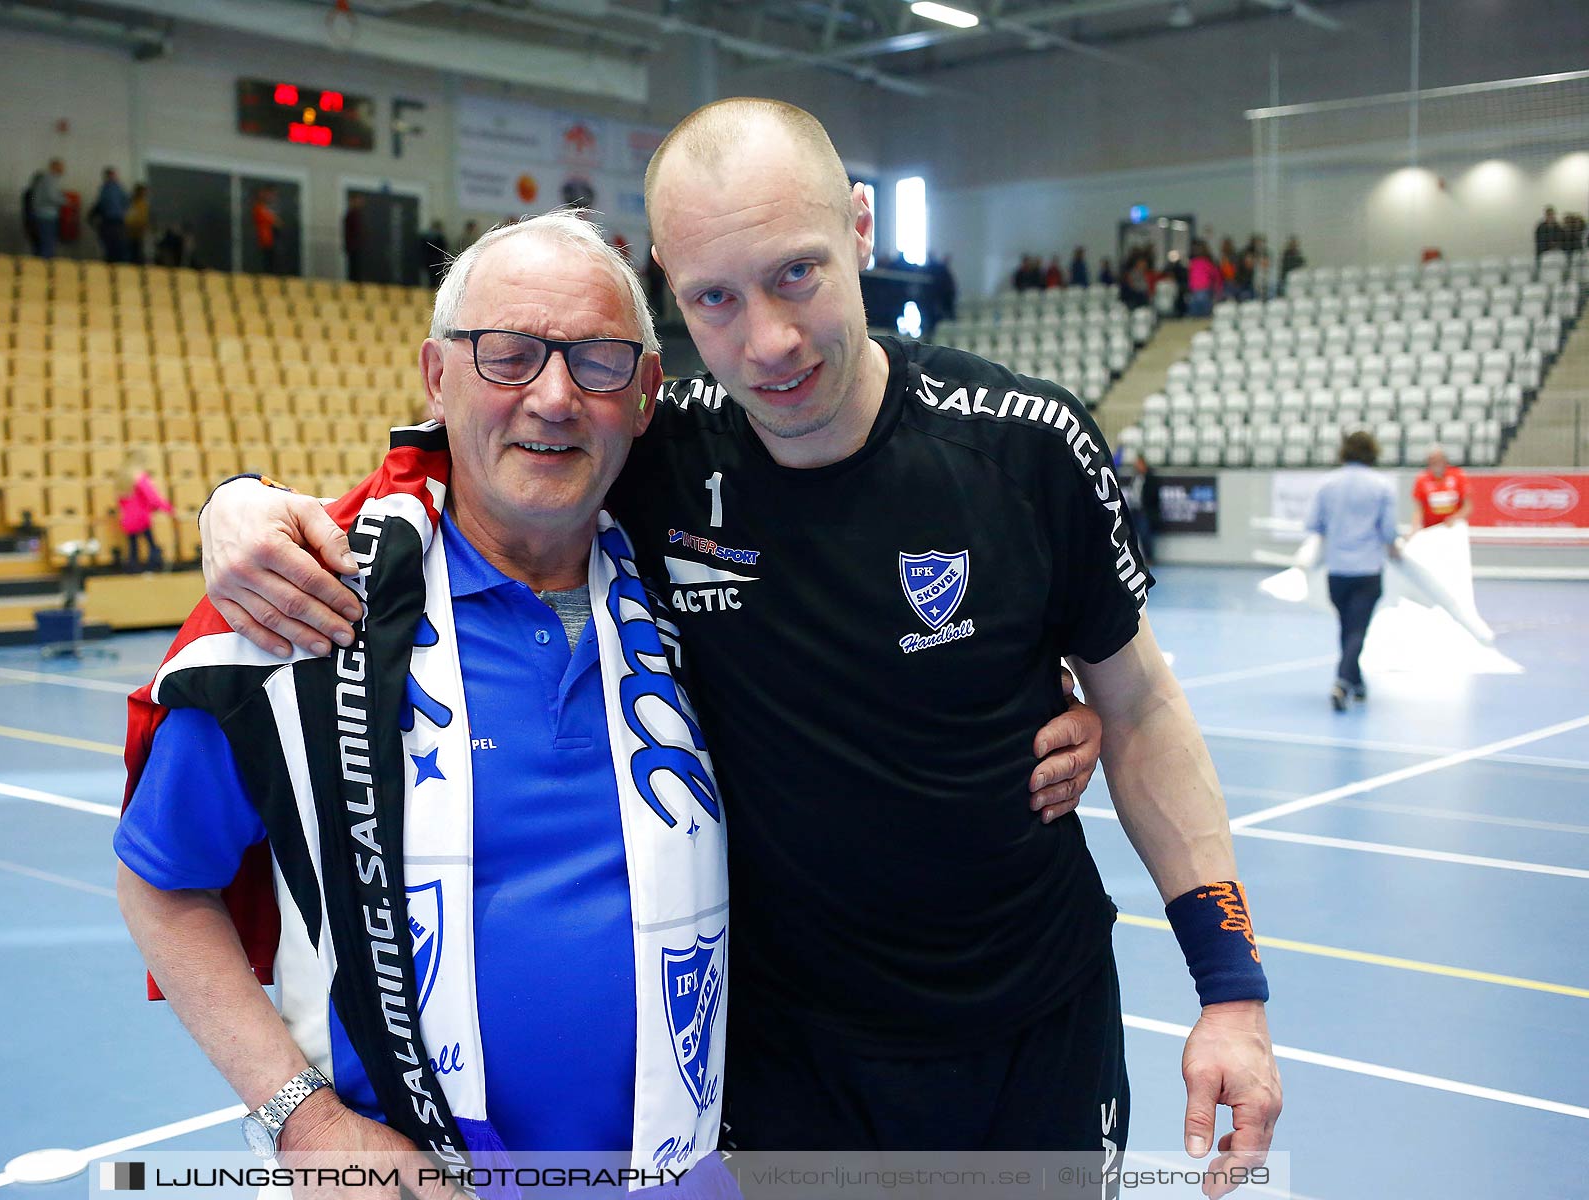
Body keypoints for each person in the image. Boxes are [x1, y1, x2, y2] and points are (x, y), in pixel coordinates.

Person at [201, 99, 1281, 1184]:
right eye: (715, 297)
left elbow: (1140, 707)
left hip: (1031, 1040)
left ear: (862, 229)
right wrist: (236, 507)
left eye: (797, 274)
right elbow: (464, 466)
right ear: (671, 285)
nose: (767, 340)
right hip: (781, 1068)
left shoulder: (1027, 449)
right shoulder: (654, 455)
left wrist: (1229, 992)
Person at [118, 212, 1097, 1181]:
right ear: (436, 376)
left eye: (596, 362)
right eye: (507, 355)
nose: (552, 397)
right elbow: (161, 880)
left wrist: (1029, 704)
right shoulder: (313, 612)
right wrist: (304, 1122)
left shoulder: (701, 595)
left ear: (644, 395)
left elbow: (868, 663)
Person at [1306, 430, 1402, 712]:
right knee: (1357, 629)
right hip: (1368, 569)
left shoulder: (1327, 485)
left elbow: (1314, 524)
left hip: (1337, 570)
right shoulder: (1382, 486)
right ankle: (1342, 682)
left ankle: (1357, 683)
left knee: (1347, 627)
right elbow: (1388, 531)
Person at [114, 451, 172, 572]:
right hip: (141, 517)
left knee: (133, 547)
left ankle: (132, 570)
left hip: (127, 518)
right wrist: (168, 509)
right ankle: (153, 567)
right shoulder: (140, 478)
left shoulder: (122, 479)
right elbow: (152, 497)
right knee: (151, 544)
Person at [1412, 445, 1470, 529]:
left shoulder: (1458, 475)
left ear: (1445, 460)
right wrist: (1415, 528)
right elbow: (1419, 509)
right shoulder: (1422, 479)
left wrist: (1455, 518)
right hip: (1431, 529)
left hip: (1453, 527)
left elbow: (1468, 506)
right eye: (1433, 460)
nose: (1437, 463)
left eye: (1439, 460)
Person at [1122, 452, 1161, 566]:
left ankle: (1149, 558)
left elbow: (1153, 495)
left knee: (1145, 535)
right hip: (1134, 509)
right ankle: (1132, 558)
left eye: (1138, 463)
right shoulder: (1136, 477)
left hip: (1144, 511)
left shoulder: (1150, 478)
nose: (1136, 466)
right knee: (1130, 534)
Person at [89, 168, 130, 264]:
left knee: (112, 247)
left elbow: (101, 204)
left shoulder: (107, 188)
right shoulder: (116, 188)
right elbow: (126, 202)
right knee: (117, 247)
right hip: (114, 221)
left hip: (111, 221)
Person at [28, 158, 65, 260]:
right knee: (48, 245)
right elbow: (52, 196)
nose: (63, 170)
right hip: (46, 216)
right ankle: (45, 271)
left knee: (43, 245)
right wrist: (65, 201)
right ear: (55, 167)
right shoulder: (50, 179)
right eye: (61, 167)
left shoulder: (45, 179)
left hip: (41, 215)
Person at [251, 186, 283, 275]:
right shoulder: (259, 208)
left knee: (273, 259)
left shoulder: (267, 209)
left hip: (272, 238)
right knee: (268, 259)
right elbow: (272, 220)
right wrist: (275, 220)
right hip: (266, 239)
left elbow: (277, 222)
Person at [1185, 241, 1221, 317]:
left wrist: (1217, 290)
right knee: (1199, 309)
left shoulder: (1204, 262)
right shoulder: (1195, 263)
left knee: (1201, 309)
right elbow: (1190, 277)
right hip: (1197, 289)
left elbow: (1215, 276)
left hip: (1202, 288)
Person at [343, 193, 367, 283]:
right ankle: (354, 282)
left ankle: (358, 282)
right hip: (353, 246)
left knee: (358, 267)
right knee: (354, 267)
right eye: (358, 200)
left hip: (358, 246)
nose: (360, 203)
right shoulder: (350, 215)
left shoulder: (359, 215)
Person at [124, 184, 150, 265]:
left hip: (138, 233)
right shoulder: (134, 203)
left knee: (137, 254)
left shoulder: (142, 204)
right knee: (134, 255)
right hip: (133, 233)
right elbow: (129, 219)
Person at [421, 219, 450, 287]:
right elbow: (444, 250)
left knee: (429, 280)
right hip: (438, 261)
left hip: (428, 261)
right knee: (437, 280)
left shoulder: (425, 238)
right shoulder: (440, 238)